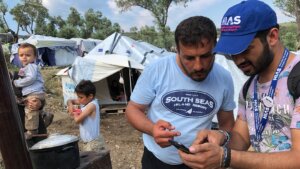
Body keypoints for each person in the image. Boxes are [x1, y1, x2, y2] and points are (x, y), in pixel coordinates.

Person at [179, 1, 300, 169]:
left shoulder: (296, 78)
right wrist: (219, 138)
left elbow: (298, 159)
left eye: (245, 49)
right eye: (232, 53)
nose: (238, 60)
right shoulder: (249, 87)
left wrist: (227, 158)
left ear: (272, 36)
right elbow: (241, 139)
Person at [125, 16, 235, 169]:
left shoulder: (224, 78)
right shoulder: (157, 70)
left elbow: (228, 123)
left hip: (200, 162)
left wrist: (221, 136)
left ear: (215, 48)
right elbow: (133, 109)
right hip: (156, 161)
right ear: (177, 50)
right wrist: (152, 129)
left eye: (205, 56)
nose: (198, 66)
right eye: (189, 58)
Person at [13, 43, 46, 140]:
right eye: (21, 55)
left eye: (28, 55)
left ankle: (32, 131)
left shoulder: (31, 66)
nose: (24, 57)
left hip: (34, 92)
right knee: (27, 105)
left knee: (30, 108)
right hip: (29, 93)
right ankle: (44, 115)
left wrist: (16, 83)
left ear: (34, 57)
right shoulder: (23, 69)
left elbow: (31, 78)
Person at [67, 80, 106, 152]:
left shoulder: (92, 105)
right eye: (78, 97)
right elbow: (70, 100)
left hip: (93, 143)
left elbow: (77, 120)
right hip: (86, 142)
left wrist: (74, 111)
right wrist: (70, 105)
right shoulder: (85, 101)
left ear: (90, 96)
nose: (79, 99)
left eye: (81, 97)